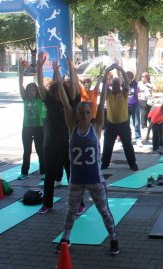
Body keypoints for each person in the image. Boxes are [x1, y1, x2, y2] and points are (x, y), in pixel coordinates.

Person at [53, 62, 120, 256]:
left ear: (92, 115)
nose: (84, 115)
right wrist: (58, 75)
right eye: (81, 113)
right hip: (76, 180)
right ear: (76, 115)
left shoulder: (96, 127)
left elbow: (101, 102)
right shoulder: (72, 127)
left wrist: (107, 78)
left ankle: (114, 239)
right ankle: (65, 239)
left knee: (104, 211)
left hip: (95, 180)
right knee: (70, 211)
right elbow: (65, 103)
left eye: (87, 112)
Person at [37, 54, 80, 215]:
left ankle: (78, 204)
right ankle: (47, 204)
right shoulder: (49, 102)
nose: (58, 95)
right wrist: (40, 67)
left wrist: (72, 68)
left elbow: (74, 86)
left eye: (60, 92)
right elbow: (40, 85)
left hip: (68, 144)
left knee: (72, 176)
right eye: (55, 93)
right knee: (49, 175)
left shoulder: (70, 102)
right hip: (50, 144)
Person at [100, 64, 139, 171]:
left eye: (118, 84)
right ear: (112, 85)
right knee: (107, 145)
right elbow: (103, 82)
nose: (116, 86)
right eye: (114, 84)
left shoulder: (124, 93)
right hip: (110, 125)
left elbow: (127, 82)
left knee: (128, 145)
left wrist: (121, 69)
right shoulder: (108, 94)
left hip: (123, 125)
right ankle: (105, 163)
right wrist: (107, 70)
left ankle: (132, 164)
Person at [18, 67, 46, 180]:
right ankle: (24, 172)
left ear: (36, 92)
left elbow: (40, 84)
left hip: (39, 127)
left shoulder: (40, 98)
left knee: (40, 150)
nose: (31, 92)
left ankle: (43, 172)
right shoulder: (25, 98)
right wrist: (21, 74)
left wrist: (40, 69)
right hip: (27, 128)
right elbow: (20, 86)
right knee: (27, 151)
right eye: (29, 90)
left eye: (33, 90)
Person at [126, 71, 142, 146]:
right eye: (127, 77)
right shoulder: (123, 84)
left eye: (130, 77)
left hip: (135, 105)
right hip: (126, 107)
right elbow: (120, 75)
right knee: (126, 124)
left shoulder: (134, 83)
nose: (129, 78)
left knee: (137, 123)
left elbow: (138, 73)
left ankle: (138, 138)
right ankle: (127, 139)